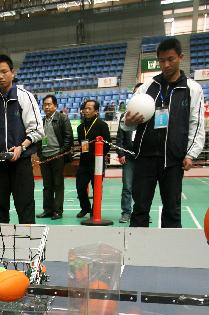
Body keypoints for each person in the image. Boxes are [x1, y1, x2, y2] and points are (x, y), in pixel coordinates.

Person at [122, 37, 205, 228]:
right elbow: (128, 121)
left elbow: (197, 124)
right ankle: (136, 253)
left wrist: (191, 154)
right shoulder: (147, 87)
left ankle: (172, 256)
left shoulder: (193, 89)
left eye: (171, 59)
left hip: (173, 161)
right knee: (140, 209)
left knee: (172, 211)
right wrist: (127, 122)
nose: (166, 65)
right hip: (145, 158)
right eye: (162, 60)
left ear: (180, 57)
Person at [0, 54, 44, 224]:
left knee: (25, 207)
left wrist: (21, 147)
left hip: (21, 163)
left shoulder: (25, 97)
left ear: (12, 73)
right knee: (0, 209)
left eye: (4, 72)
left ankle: (31, 249)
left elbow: (37, 129)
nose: (0, 76)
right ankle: (3, 248)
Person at [36, 94, 73, 220]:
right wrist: (40, 154)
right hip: (45, 157)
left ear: (55, 106)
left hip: (57, 156)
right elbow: (38, 140)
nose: (46, 107)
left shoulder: (62, 118)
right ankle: (47, 210)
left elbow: (68, 138)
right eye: (45, 105)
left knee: (58, 185)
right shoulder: (42, 121)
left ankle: (57, 211)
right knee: (47, 186)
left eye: (49, 104)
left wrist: (60, 153)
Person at [76, 99, 110, 219]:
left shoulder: (102, 125)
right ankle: (85, 208)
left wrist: (99, 157)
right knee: (80, 187)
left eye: (89, 108)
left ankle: (95, 211)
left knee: (96, 189)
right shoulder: (80, 128)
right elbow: (81, 143)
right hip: (84, 162)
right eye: (85, 108)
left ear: (96, 111)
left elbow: (107, 144)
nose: (86, 110)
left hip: (97, 163)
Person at [116, 83, 142, 223]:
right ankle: (126, 212)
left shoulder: (150, 116)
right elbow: (119, 139)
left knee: (143, 187)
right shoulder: (124, 117)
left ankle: (142, 212)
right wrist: (121, 154)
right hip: (129, 158)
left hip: (144, 158)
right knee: (127, 187)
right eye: (135, 93)